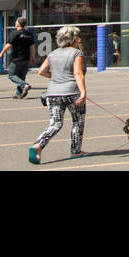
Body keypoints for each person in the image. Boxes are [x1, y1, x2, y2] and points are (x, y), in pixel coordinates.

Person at [29, 25, 86, 164]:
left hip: (53, 93)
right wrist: (83, 92)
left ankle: (38, 145)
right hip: (72, 92)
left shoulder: (52, 54)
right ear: (73, 39)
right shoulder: (76, 53)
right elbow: (78, 73)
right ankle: (75, 150)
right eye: (78, 37)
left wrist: (56, 77)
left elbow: (41, 71)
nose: (79, 39)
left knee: (55, 123)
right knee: (78, 120)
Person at [0, 16, 37, 99]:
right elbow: (32, 47)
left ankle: (24, 85)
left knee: (11, 75)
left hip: (17, 59)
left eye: (16, 22)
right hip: (26, 58)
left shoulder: (15, 33)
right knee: (21, 76)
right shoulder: (29, 34)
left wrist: (1, 54)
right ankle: (19, 94)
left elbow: (8, 45)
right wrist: (32, 57)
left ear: (18, 24)